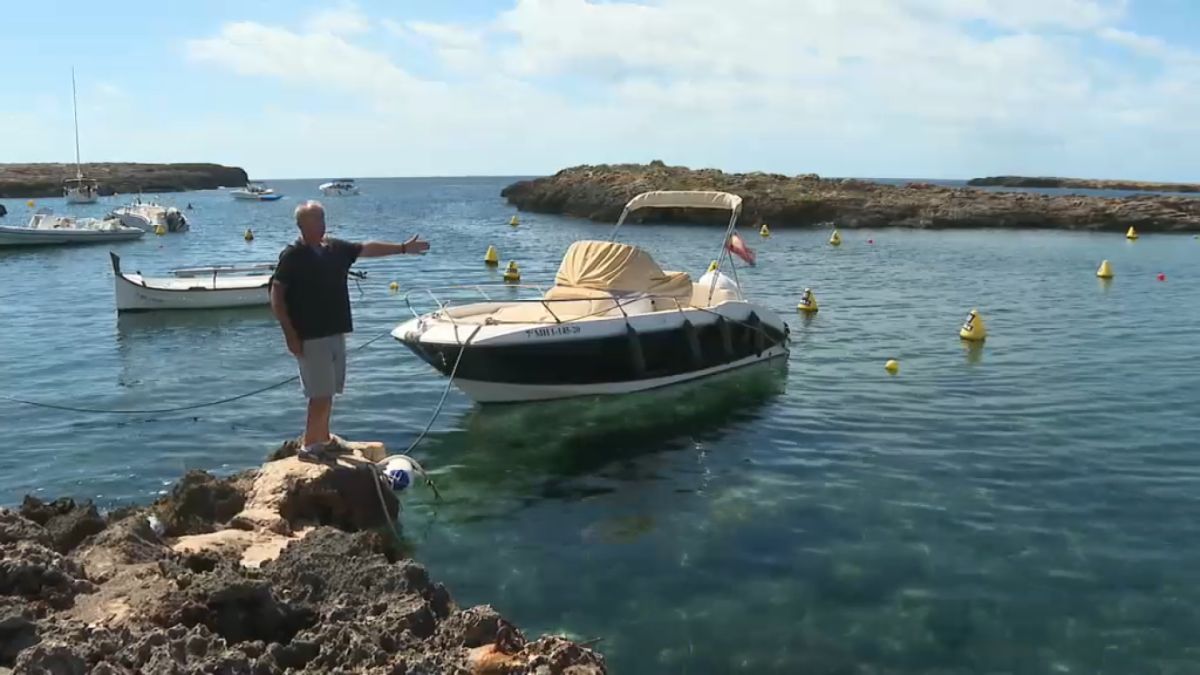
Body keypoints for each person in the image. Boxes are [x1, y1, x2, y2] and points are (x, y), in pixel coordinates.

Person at [270, 200, 430, 459]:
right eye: (313, 222)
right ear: (300, 226)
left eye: (321, 220)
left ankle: (323, 438)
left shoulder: (334, 248)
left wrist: (402, 248)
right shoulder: (293, 256)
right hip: (310, 335)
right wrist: (290, 335)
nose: (320, 227)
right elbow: (277, 297)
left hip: (335, 330)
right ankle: (309, 448)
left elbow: (365, 248)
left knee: (330, 390)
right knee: (319, 393)